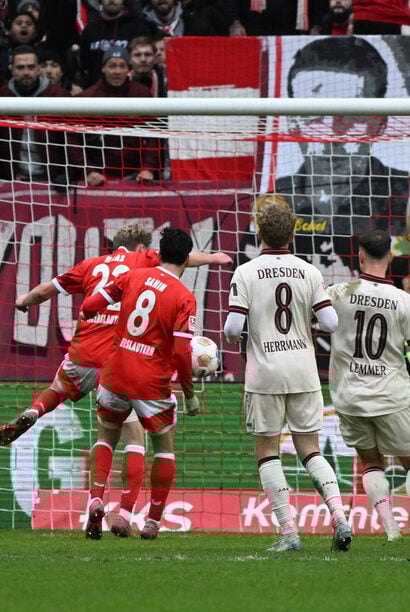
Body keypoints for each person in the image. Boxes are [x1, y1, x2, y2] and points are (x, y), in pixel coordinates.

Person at [4, 223, 231, 536]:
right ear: (145, 249)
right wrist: (216, 258)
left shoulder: (110, 270)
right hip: (144, 375)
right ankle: (140, 518)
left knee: (93, 426)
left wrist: (57, 309)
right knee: (152, 445)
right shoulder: (167, 282)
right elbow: (181, 348)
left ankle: (95, 497)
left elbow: (78, 301)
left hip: (107, 366)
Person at [223, 199, 353, 553]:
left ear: (259, 233)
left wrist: (246, 334)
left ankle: (290, 533)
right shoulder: (309, 271)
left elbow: (233, 329)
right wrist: (302, 324)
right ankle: (340, 518)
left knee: (267, 452)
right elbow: (331, 323)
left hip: (265, 373)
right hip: (304, 370)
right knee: (309, 448)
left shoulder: (246, 272)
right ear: (293, 234)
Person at [326, 230, 410, 543]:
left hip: (348, 396)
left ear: (360, 256)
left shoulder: (338, 292)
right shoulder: (402, 300)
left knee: (371, 462)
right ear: (390, 258)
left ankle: (391, 531)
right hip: (390, 395)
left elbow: (317, 322)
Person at [79, 228, 200, 541]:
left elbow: (90, 305)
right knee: (164, 446)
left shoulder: (134, 276)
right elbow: (182, 352)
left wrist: (100, 317)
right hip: (150, 380)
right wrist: (189, 394)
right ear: (187, 259)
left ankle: (95, 500)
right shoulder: (184, 297)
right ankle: (151, 522)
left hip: (115, 370)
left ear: (158, 254)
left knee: (106, 436)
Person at [272, 37, 410, 277]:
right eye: (312, 116)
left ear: (380, 122)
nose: (331, 137)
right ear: (292, 124)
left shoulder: (403, 195)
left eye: (350, 117)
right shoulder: (275, 198)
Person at [71, 46, 161, 186]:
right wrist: (88, 171)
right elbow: (73, 139)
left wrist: (148, 168)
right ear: (103, 68)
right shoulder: (89, 97)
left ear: (128, 69)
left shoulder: (141, 93)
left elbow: (153, 133)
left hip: (137, 175)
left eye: (122, 66)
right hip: (99, 176)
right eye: (112, 66)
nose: (117, 71)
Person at [0, 45, 71, 184]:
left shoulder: (59, 96)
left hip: (53, 181)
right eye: (20, 67)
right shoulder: (2, 96)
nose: (26, 72)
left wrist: (69, 174)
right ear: (11, 70)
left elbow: (72, 142)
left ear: (39, 69)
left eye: (31, 67)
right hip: (13, 180)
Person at [78, 0, 151, 87]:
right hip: (97, 92)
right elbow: (84, 64)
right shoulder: (90, 30)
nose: (112, 0)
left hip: (130, 90)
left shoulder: (138, 28)